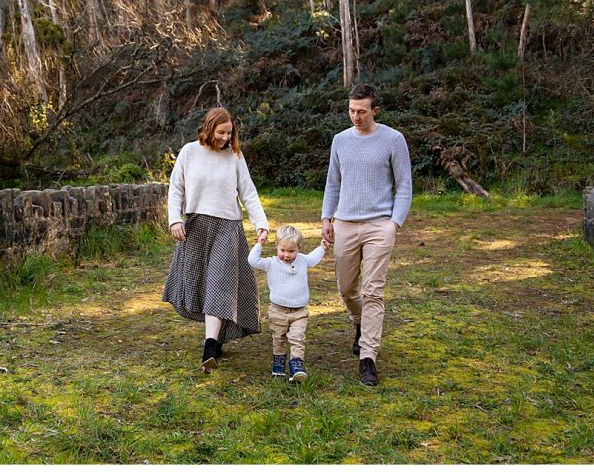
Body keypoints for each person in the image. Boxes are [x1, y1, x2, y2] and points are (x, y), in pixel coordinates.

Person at [163, 107, 269, 373]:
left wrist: (261, 224)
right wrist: (174, 219)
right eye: (221, 132)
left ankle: (209, 347)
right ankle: (216, 336)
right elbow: (176, 188)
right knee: (202, 283)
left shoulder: (234, 156)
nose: (225, 137)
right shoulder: (189, 152)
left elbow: (249, 192)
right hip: (197, 225)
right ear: (209, 128)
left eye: (229, 133)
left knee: (220, 284)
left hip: (227, 227)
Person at [321, 83, 412, 387]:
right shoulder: (340, 140)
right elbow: (332, 183)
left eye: (361, 111)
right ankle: (359, 323)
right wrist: (326, 217)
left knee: (373, 290)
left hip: (379, 226)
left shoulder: (393, 140)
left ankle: (368, 358)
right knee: (347, 288)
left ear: (375, 110)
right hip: (345, 223)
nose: (355, 116)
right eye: (351, 110)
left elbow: (404, 186)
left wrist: (393, 224)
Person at [248, 225, 330, 382]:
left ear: (299, 248)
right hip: (278, 311)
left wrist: (322, 247)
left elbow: (313, 258)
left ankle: (296, 366)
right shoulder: (272, 263)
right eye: (282, 250)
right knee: (278, 338)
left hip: (299, 312)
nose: (286, 255)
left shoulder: (303, 260)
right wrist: (259, 244)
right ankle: (279, 363)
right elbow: (253, 260)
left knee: (298, 338)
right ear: (276, 247)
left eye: (291, 251)